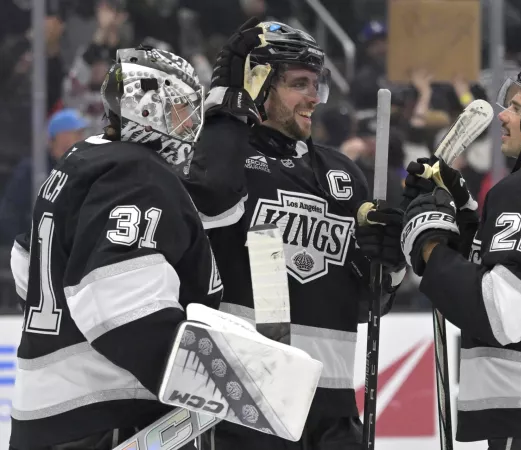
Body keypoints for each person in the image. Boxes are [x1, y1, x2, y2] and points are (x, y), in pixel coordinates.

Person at [181, 18, 407, 449]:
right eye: (299, 84)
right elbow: (210, 202)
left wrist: (388, 261)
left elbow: (367, 302)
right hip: (242, 395)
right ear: (259, 87)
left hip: (333, 405)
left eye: (316, 85)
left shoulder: (342, 173)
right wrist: (227, 102)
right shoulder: (222, 161)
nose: (313, 98)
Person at [9, 46, 222, 449]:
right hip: (108, 415)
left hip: (43, 414)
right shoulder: (139, 173)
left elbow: (26, 265)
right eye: (179, 110)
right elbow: (119, 307)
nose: (190, 124)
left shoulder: (81, 158)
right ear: (148, 110)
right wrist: (204, 378)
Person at [389, 57, 521, 449]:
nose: (504, 116)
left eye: (519, 109)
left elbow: (501, 312)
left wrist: (429, 245)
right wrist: (468, 215)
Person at [0, 108, 89, 245]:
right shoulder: (32, 169)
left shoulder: (84, 167)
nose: (82, 138)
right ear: (62, 137)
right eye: (77, 134)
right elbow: (10, 213)